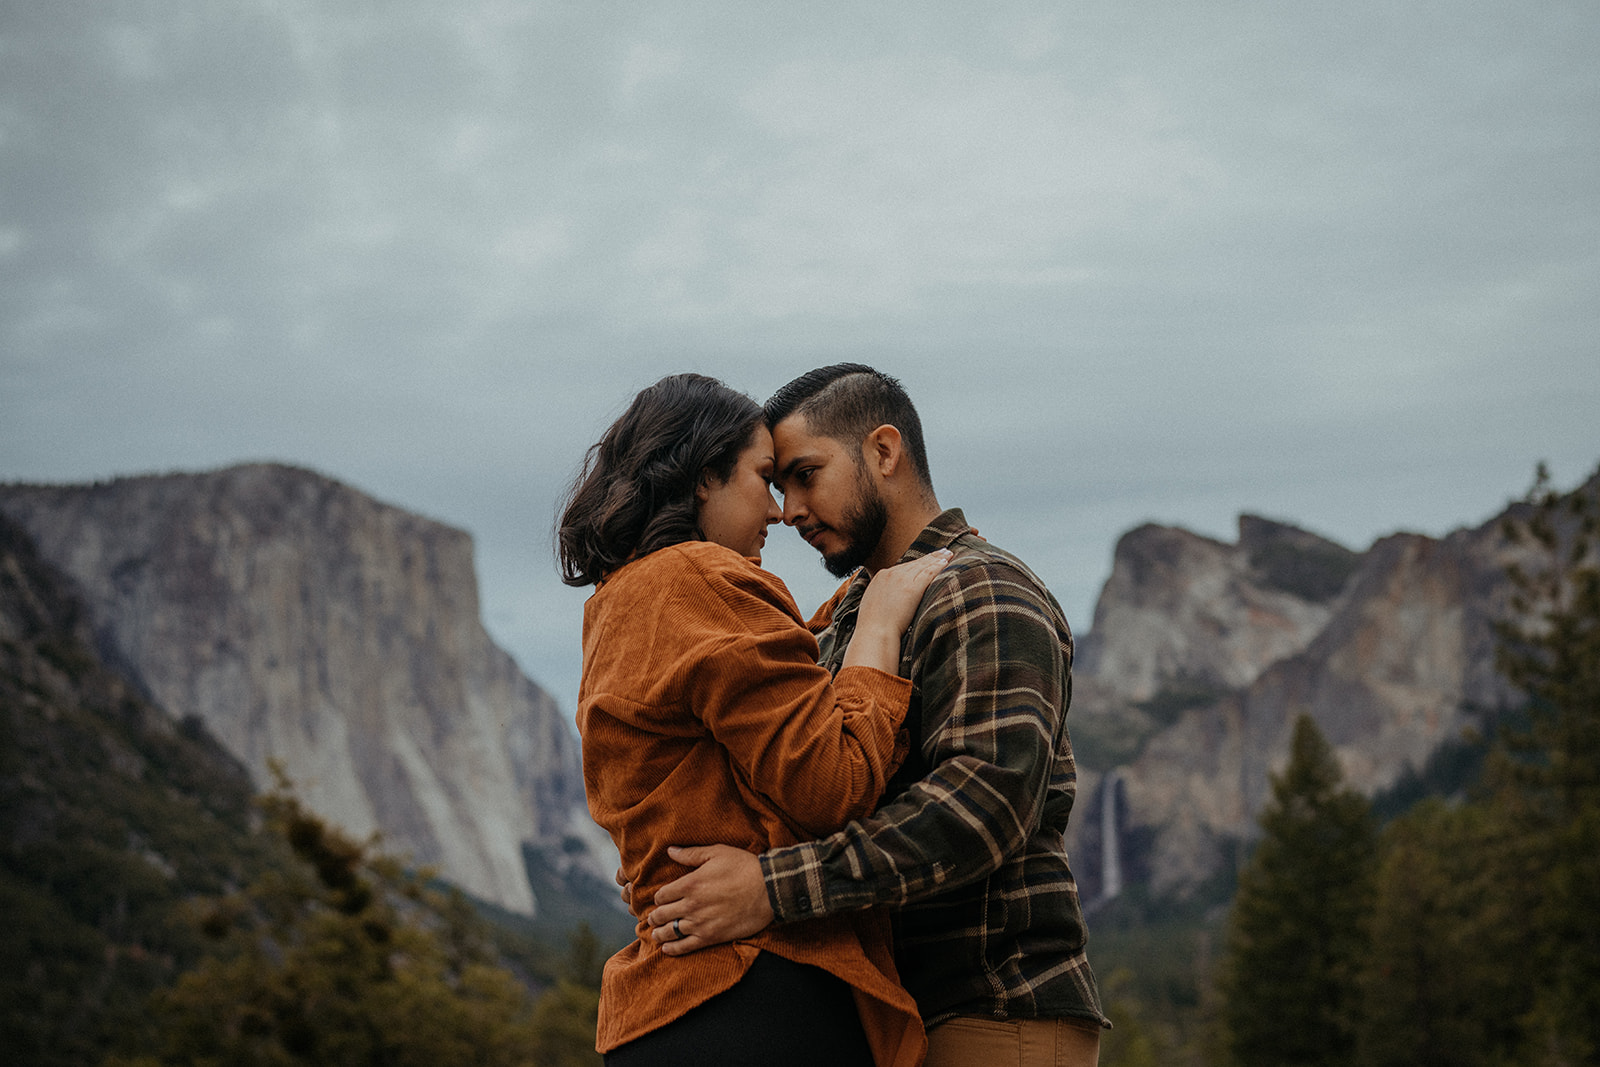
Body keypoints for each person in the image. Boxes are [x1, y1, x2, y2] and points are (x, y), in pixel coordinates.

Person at [642, 365, 1108, 1067]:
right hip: (888, 1021)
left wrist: (771, 888)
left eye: (806, 474)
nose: (790, 509)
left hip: (992, 1012)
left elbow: (984, 805)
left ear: (884, 452)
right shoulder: (850, 622)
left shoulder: (982, 588)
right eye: (777, 485)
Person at [558, 373, 950, 1067]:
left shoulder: (618, 600)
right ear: (704, 477)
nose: (778, 511)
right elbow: (833, 784)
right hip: (755, 995)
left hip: (662, 1007)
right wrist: (880, 628)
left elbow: (750, 709)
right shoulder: (706, 579)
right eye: (764, 479)